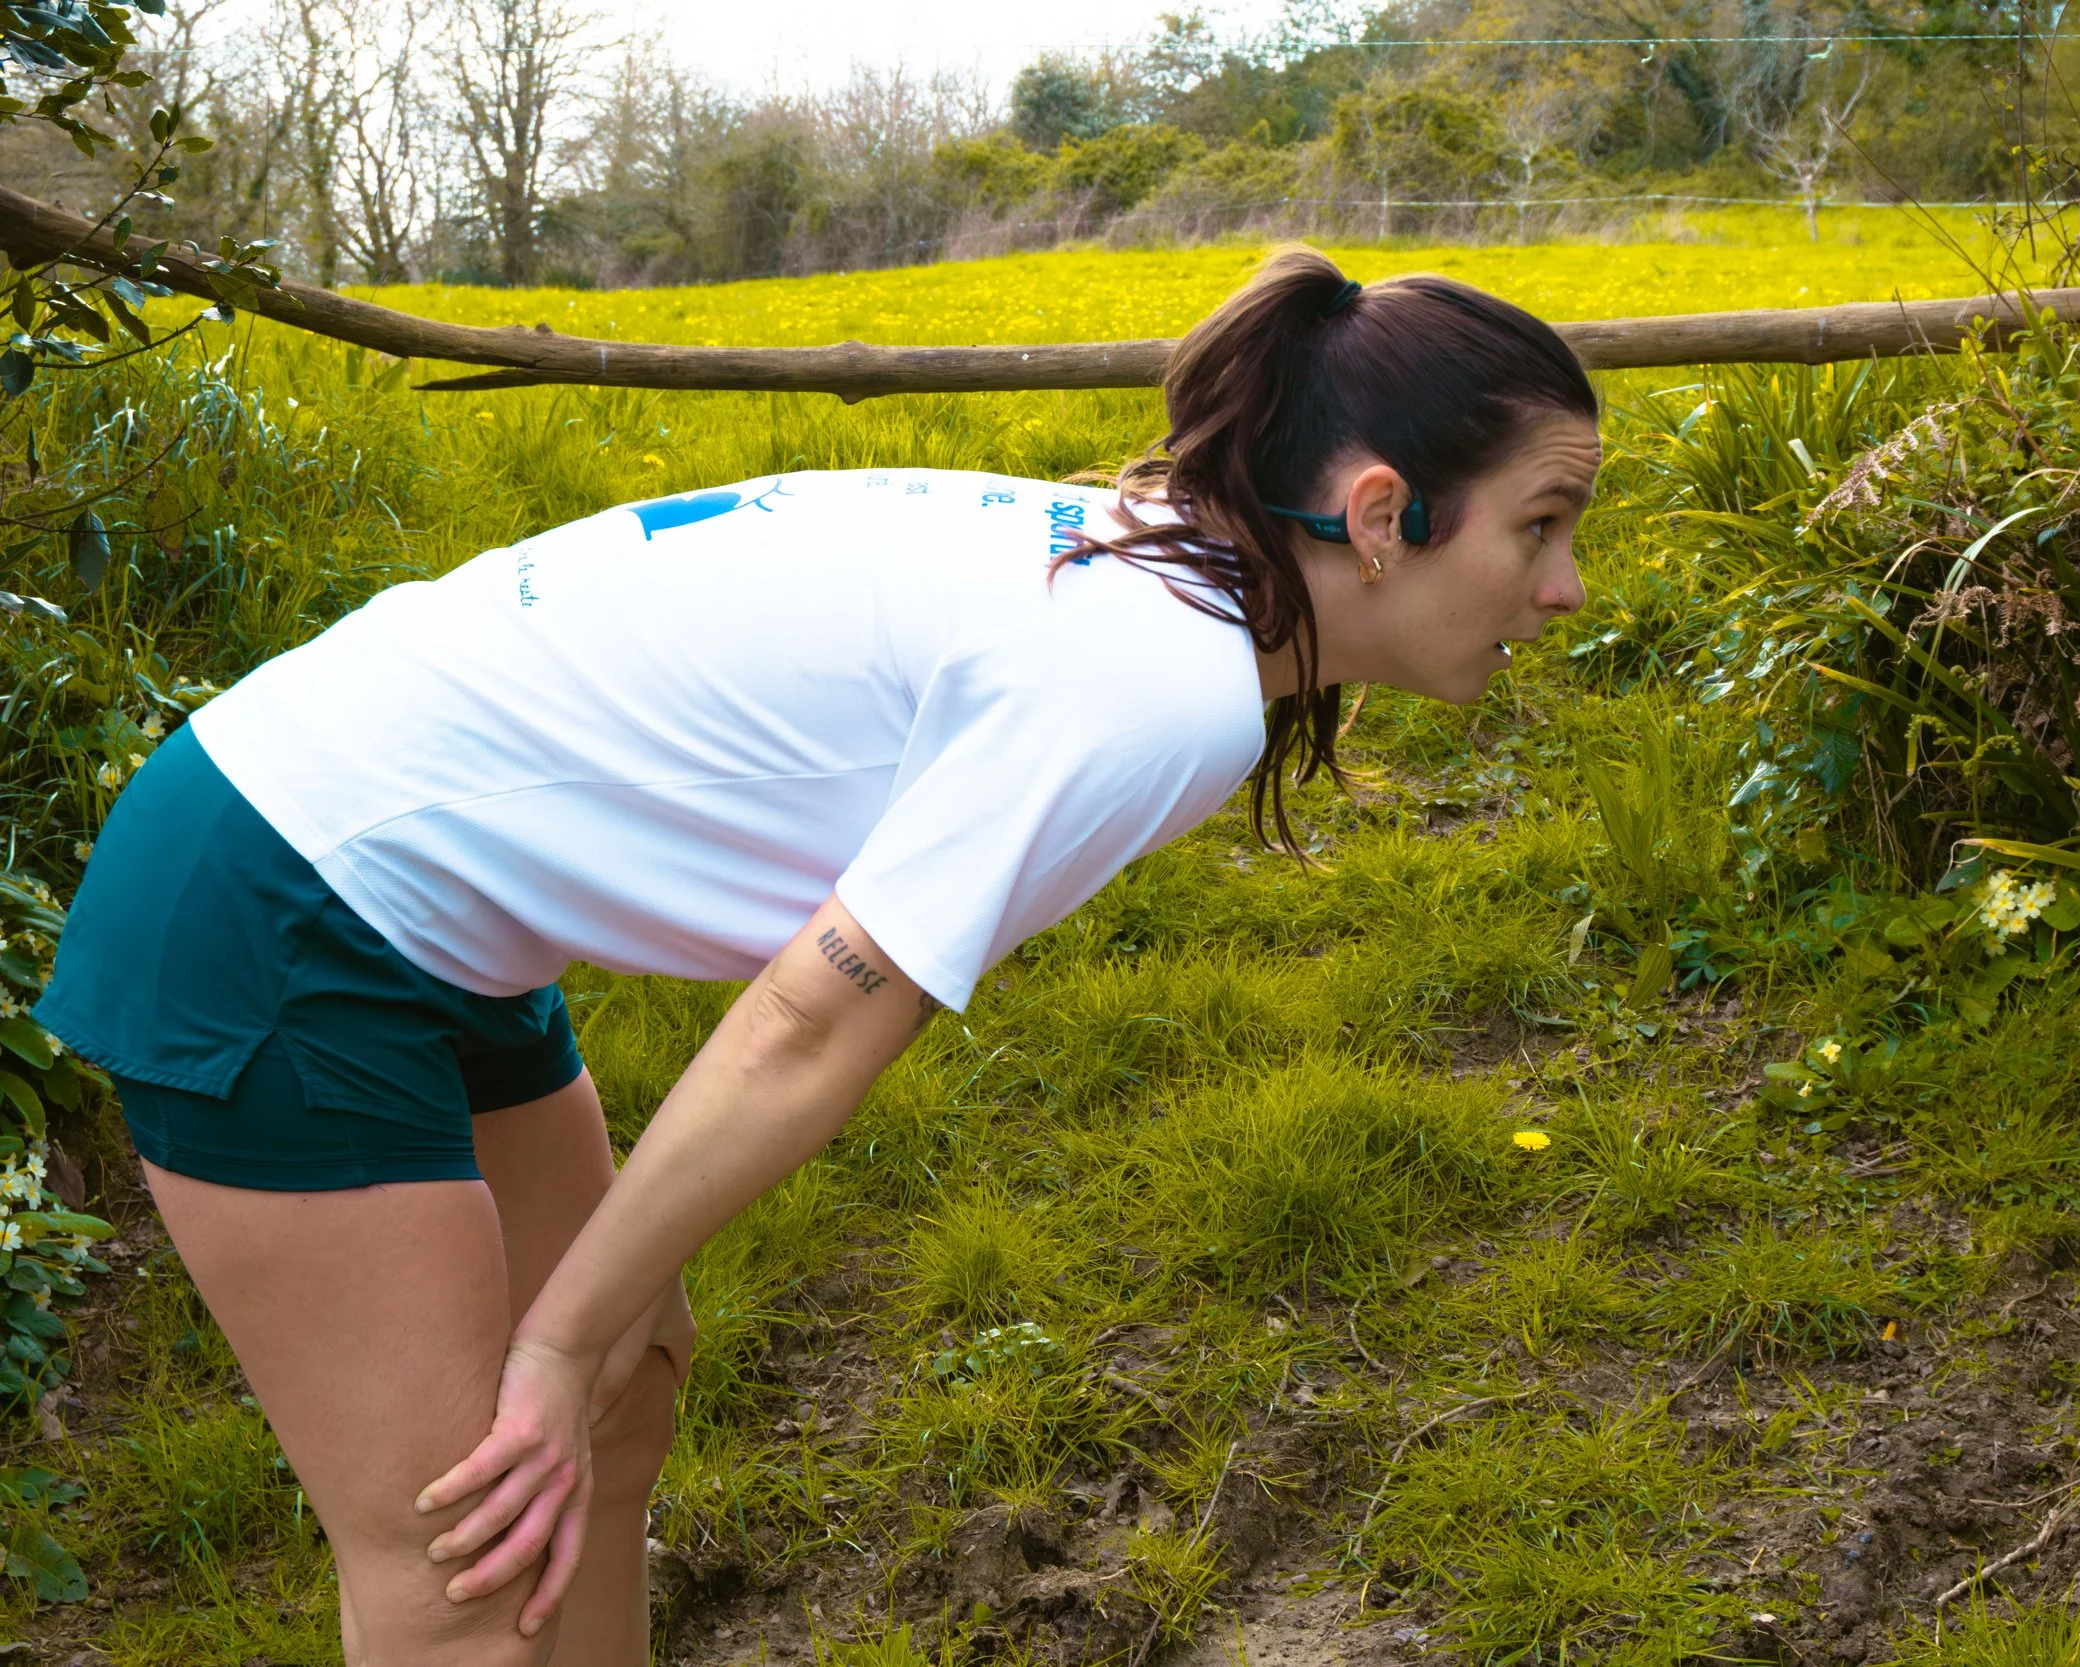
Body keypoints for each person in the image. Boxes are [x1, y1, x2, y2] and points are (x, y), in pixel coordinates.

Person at [35, 245, 1602, 1664]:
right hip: (277, 891)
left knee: (619, 1392)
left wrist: (578, 1336)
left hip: (400, 871)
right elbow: (806, 1023)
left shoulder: (1151, 563)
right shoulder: (1163, 679)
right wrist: (548, 1335)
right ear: (1386, 516)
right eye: (1542, 524)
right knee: (466, 1550)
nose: (1564, 586)